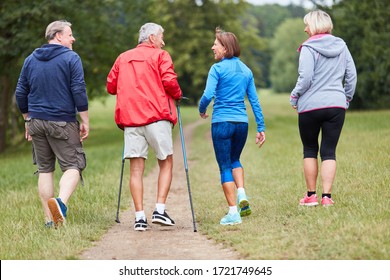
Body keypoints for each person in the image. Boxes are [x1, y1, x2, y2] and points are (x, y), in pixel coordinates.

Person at [106, 23, 182, 231]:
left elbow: (111, 86)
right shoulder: (160, 55)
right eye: (161, 37)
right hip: (156, 116)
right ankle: (159, 209)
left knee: (136, 169)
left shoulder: (122, 57)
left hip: (131, 120)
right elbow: (169, 80)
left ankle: (140, 217)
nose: (163, 41)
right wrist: (177, 94)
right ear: (151, 38)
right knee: (166, 161)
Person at [15, 20, 89, 228]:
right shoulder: (71, 58)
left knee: (45, 169)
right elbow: (78, 90)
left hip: (36, 121)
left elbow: (21, 92)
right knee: (74, 165)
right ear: (58, 36)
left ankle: (50, 220)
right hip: (62, 121)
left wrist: (27, 119)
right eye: (70, 34)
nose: (73, 38)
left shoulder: (31, 59)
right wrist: (84, 120)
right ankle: (60, 203)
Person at [198, 27, 266, 226]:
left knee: (224, 166)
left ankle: (233, 213)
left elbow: (208, 95)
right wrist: (260, 126)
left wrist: (201, 109)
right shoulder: (247, 70)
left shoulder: (217, 69)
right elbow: (254, 101)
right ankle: (242, 193)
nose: (213, 47)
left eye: (216, 44)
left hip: (222, 123)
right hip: (241, 124)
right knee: (235, 159)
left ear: (226, 48)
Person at [290, 10, 357, 207]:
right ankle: (326, 197)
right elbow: (351, 76)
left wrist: (294, 96)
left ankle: (311, 196)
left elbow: (306, 78)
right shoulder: (342, 46)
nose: (305, 29)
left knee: (310, 149)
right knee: (329, 151)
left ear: (315, 26)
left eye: (307, 25)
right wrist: (346, 99)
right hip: (336, 105)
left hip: (310, 106)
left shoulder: (308, 48)